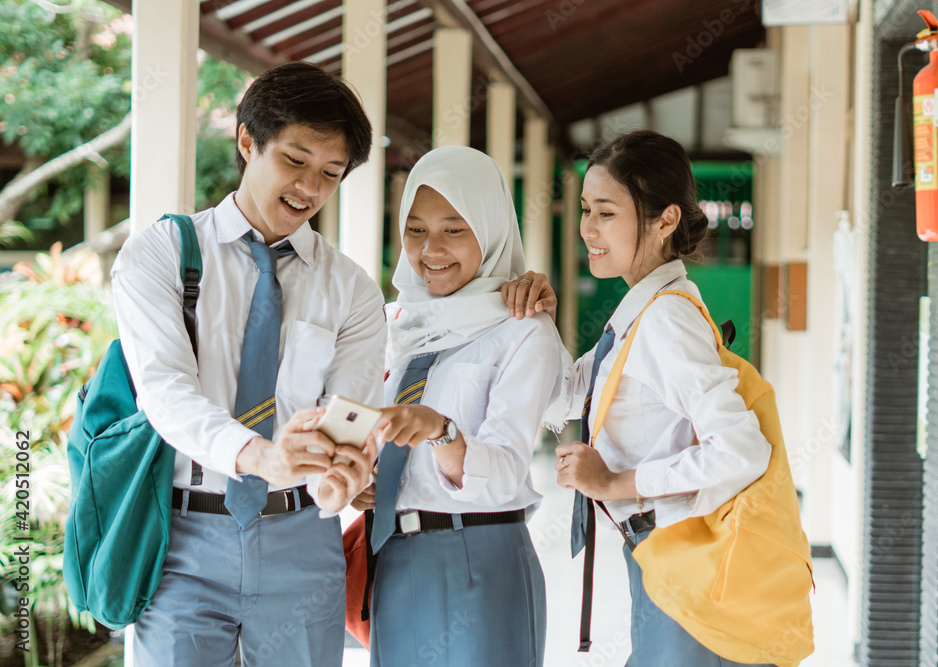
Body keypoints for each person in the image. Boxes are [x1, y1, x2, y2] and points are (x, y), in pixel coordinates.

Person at [111, 62, 383, 666]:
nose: (309, 188)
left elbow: (350, 413)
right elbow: (164, 392)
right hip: (180, 542)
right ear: (246, 141)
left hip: (304, 541)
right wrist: (261, 456)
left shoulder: (353, 290)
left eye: (330, 173)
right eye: (295, 160)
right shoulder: (159, 254)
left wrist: (340, 476)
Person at [504, 130, 777, 666]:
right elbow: (565, 401)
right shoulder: (642, 308)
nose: (587, 229)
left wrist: (613, 482)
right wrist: (539, 322)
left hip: (686, 558)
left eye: (606, 213)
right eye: (585, 209)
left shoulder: (665, 318)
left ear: (665, 220)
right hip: (659, 554)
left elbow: (742, 451)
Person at [328, 145, 564, 666]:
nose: (431, 249)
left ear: (491, 227)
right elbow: (357, 419)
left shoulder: (522, 328)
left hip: (480, 556)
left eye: (454, 229)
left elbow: (504, 472)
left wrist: (442, 433)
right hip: (394, 559)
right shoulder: (390, 323)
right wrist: (359, 476)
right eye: (415, 229)